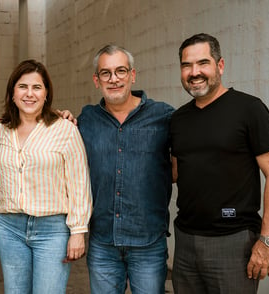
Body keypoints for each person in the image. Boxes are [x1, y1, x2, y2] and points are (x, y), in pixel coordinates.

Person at [170, 33, 269, 293]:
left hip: (233, 242)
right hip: (186, 241)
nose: (194, 72)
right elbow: (175, 172)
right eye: (186, 65)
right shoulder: (178, 119)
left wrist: (267, 241)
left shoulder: (249, 109)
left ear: (220, 65)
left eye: (203, 63)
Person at [0, 59, 92, 294]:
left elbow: (79, 182)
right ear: (12, 93)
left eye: (37, 87)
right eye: (22, 87)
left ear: (46, 94)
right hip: (10, 229)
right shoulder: (0, 132)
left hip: (52, 231)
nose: (29, 94)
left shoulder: (65, 129)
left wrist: (78, 231)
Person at [77, 45, 175, 294]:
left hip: (148, 241)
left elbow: (184, 162)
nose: (114, 79)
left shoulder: (163, 116)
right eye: (106, 73)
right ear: (96, 80)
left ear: (132, 75)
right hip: (102, 241)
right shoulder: (86, 120)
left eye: (120, 71)